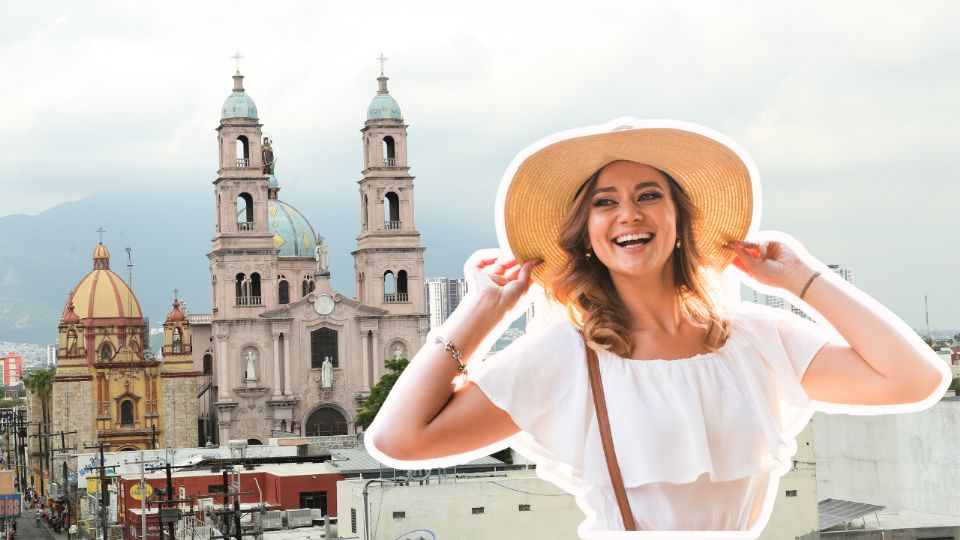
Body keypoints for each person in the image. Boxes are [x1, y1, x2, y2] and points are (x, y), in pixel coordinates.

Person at [366, 118, 949, 539]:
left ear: (678, 220)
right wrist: (482, 312)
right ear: (587, 234)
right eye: (605, 202)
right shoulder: (566, 355)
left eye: (650, 195)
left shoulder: (756, 337)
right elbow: (399, 440)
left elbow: (916, 379)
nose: (629, 213)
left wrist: (803, 277)